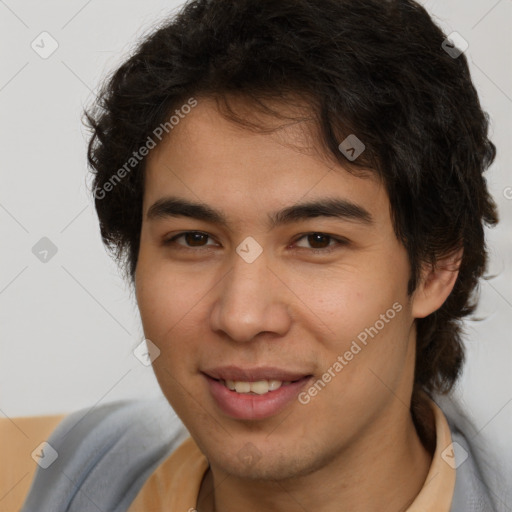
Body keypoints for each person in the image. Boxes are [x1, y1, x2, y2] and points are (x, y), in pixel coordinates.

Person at [21, 0, 504, 510]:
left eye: (317, 241)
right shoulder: (88, 463)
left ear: (434, 268)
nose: (242, 317)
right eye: (194, 238)